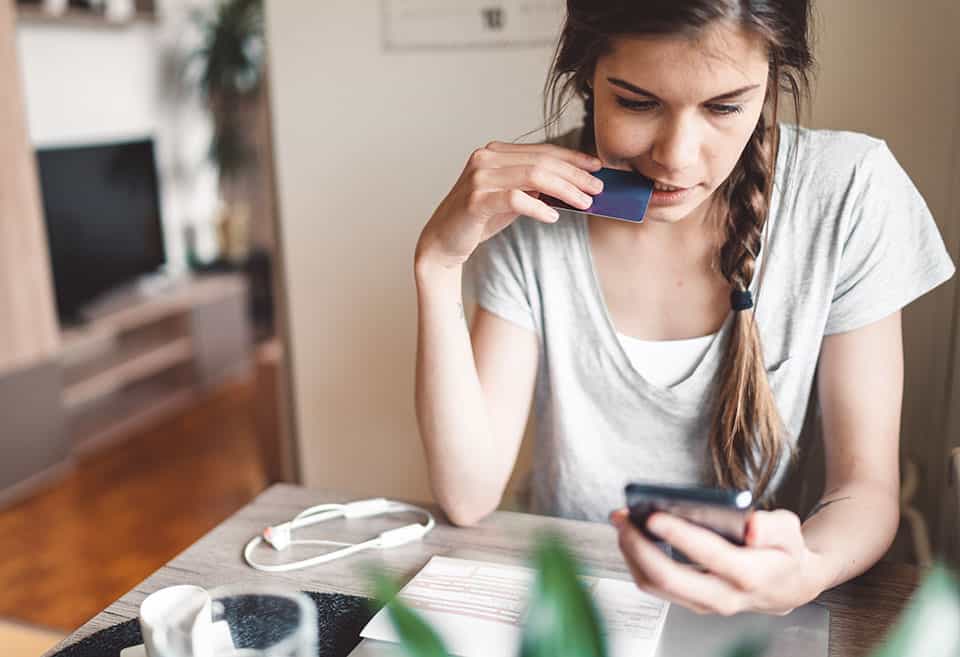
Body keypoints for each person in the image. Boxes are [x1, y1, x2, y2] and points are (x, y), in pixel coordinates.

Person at [412, 0, 954, 615]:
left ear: (773, 79)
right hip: (576, 607)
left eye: (725, 107)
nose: (677, 155)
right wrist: (438, 265)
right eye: (638, 103)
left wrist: (808, 568)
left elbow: (865, 489)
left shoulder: (851, 190)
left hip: (766, 614)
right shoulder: (534, 207)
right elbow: (468, 494)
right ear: (585, 74)